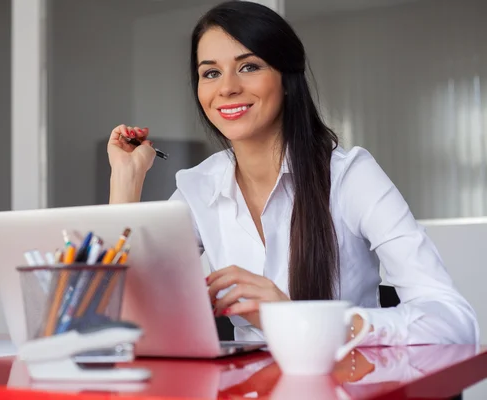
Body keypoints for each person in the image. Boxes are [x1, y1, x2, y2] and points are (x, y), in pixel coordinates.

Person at [106, 0, 478, 344]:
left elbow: (453, 320)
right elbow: (116, 313)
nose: (228, 88)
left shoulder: (349, 176)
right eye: (210, 73)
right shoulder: (198, 187)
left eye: (249, 66)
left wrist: (296, 319)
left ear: (286, 78)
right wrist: (126, 179)